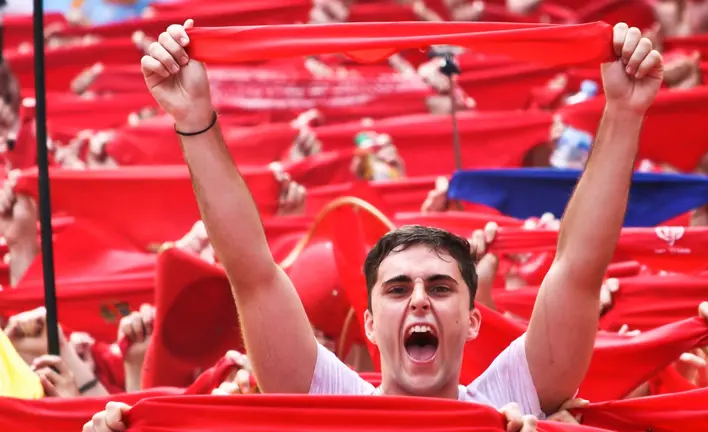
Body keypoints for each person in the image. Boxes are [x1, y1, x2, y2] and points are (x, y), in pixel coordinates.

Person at [84, 20, 664, 432]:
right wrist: (193, 120)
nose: (418, 301)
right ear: (366, 323)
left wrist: (624, 112)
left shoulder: (512, 401)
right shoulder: (327, 402)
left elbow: (579, 269)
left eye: (440, 288)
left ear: (472, 319)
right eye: (396, 288)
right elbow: (254, 273)